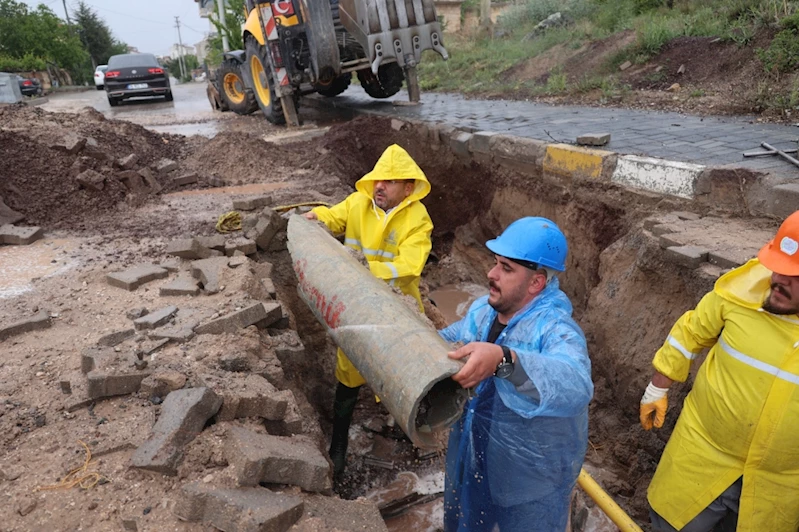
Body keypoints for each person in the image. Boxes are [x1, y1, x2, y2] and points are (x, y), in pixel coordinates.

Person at [640, 210, 799, 532]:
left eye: (796, 275)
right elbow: (691, 333)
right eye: (778, 267)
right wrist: (658, 387)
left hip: (777, 485)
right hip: (703, 457)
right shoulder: (741, 294)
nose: (779, 280)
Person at [439, 217, 594, 532]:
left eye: (506, 269)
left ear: (536, 282)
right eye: (495, 263)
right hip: (473, 459)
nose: (491, 274)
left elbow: (575, 384)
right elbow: (449, 338)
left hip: (530, 486)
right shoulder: (484, 311)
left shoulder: (555, 329)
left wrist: (504, 359)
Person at [303, 143, 433, 476]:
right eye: (377, 180)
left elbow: (409, 266)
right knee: (349, 370)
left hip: (396, 313)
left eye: (389, 182)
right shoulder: (360, 204)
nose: (379, 186)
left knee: (400, 374)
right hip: (357, 309)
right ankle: (339, 442)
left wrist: (361, 268)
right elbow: (335, 215)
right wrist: (317, 216)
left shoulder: (418, 221)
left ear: (408, 188)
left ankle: (405, 430)